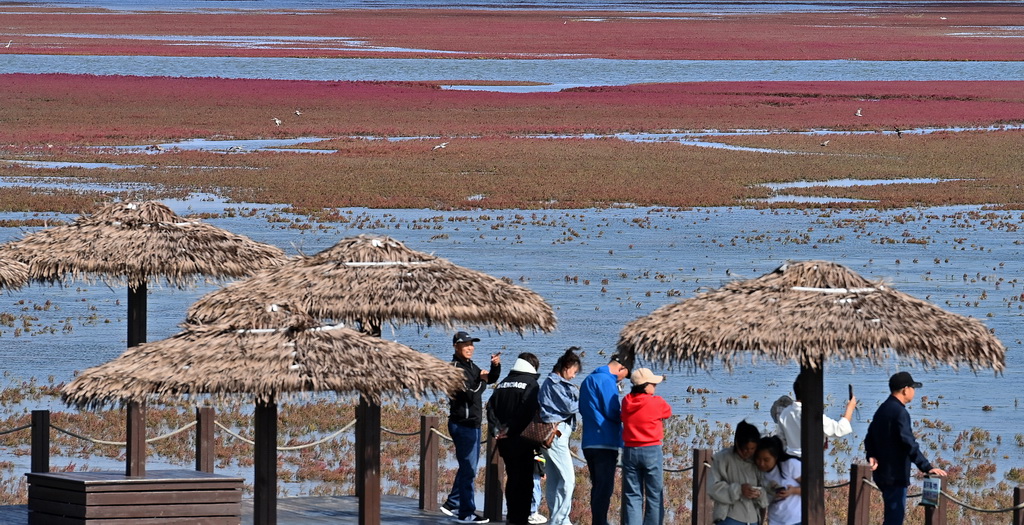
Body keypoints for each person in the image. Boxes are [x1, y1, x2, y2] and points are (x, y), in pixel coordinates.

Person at [864, 372, 948, 525]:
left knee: (891, 516)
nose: (914, 392)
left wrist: (871, 454)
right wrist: (927, 467)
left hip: (881, 474)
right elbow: (909, 443)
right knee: (895, 519)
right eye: (913, 388)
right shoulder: (900, 412)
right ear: (905, 390)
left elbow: (869, 436)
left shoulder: (883, 408)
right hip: (895, 475)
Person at [443, 331, 501, 524]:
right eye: (465, 344)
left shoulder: (469, 366)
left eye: (471, 344)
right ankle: (466, 513)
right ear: (455, 347)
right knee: (469, 470)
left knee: (469, 468)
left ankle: (451, 504)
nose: (470, 347)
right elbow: (470, 394)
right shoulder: (454, 369)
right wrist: (482, 382)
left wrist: (495, 367)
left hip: (473, 424)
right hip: (462, 424)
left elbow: (490, 379)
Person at [486, 352, 542, 525]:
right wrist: (510, 429)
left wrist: (497, 428)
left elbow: (490, 407)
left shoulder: (503, 383)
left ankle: (511, 516)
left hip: (504, 441)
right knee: (525, 482)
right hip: (523, 440)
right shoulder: (531, 384)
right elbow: (527, 412)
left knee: (512, 477)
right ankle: (521, 518)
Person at [578, 355, 630, 525]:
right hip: (605, 440)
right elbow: (612, 410)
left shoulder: (589, 379)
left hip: (589, 440)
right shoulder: (607, 381)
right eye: (625, 375)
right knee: (605, 486)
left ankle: (598, 520)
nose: (623, 379)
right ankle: (600, 522)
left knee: (597, 484)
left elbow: (582, 408)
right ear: (621, 368)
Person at [620, 367, 673, 525]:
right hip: (651, 450)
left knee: (632, 495)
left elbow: (622, 416)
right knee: (654, 495)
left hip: (630, 450)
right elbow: (668, 412)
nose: (655, 386)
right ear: (645, 385)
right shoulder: (656, 402)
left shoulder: (626, 401)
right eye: (653, 384)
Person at [537, 347, 581, 525]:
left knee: (555, 479)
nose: (574, 376)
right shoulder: (554, 384)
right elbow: (570, 407)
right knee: (568, 480)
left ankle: (557, 519)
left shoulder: (550, 383)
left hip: (550, 436)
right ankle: (560, 520)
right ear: (566, 366)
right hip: (555, 436)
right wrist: (584, 397)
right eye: (574, 372)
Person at [776, 372, 857, 457]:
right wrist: (850, 409)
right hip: (810, 463)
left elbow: (781, 441)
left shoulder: (785, 413)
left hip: (790, 462)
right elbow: (840, 429)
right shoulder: (813, 415)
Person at [709, 420, 769, 525]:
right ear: (737, 443)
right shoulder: (722, 458)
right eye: (745, 449)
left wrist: (759, 493)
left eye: (752, 449)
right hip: (729, 518)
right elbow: (712, 488)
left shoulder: (758, 461)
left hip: (753, 519)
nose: (749, 452)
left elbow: (767, 489)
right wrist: (739, 490)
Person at [754, 436, 801, 525]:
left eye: (766, 460)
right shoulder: (758, 474)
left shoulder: (790, 465)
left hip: (797, 520)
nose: (761, 463)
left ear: (775, 457)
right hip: (775, 521)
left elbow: (812, 489)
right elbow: (762, 504)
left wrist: (793, 491)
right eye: (758, 459)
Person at [529, 454, 548, 524]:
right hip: (536, 464)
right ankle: (532, 513)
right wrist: (542, 471)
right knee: (535, 490)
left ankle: (532, 512)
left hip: (535, 463)